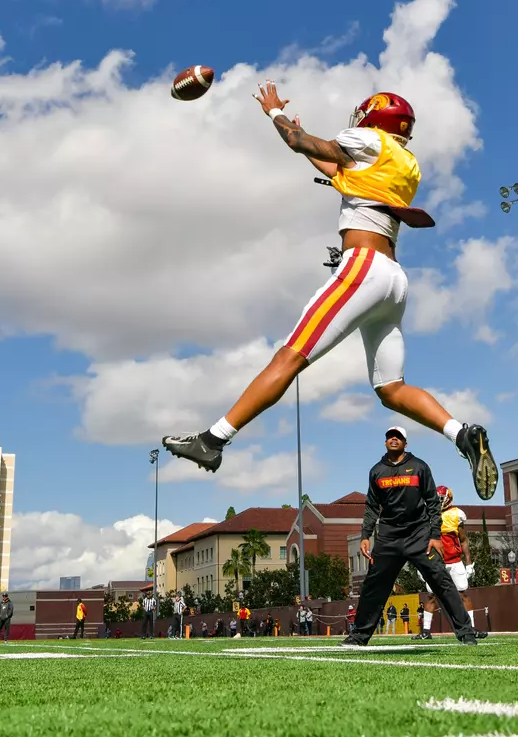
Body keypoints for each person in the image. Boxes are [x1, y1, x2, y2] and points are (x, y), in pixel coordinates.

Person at [164, 86, 499, 501]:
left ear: (374, 117)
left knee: (289, 356)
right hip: (393, 278)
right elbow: (331, 161)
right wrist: (307, 143)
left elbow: (299, 142)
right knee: (391, 388)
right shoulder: (405, 161)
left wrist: (275, 115)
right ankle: (461, 432)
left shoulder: (367, 138)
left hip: (362, 267)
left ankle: (212, 441)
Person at [342, 426, 479, 647]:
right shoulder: (376, 471)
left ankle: (466, 633)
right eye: (389, 437)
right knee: (373, 586)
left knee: (441, 581)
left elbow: (433, 503)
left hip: (420, 536)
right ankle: (358, 637)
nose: (393, 440)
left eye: (399, 437)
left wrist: (435, 535)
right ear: (385, 443)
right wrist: (365, 535)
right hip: (388, 538)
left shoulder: (419, 467)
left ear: (406, 444)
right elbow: (371, 507)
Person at [422, 485, 480, 639]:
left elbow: (463, 540)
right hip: (436, 562)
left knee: (463, 594)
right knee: (431, 595)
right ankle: (426, 631)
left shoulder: (456, 514)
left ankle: (471, 628)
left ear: (448, 499)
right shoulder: (428, 514)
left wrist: (468, 563)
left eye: (441, 498)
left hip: (454, 561)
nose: (438, 501)